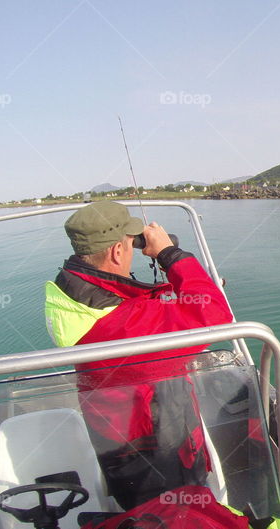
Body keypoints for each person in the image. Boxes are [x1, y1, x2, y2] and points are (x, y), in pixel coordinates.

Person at [44, 201, 234, 510]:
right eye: (131, 242)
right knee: (179, 514)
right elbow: (214, 316)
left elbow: (139, 309)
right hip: (158, 454)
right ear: (118, 251)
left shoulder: (72, 294)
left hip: (119, 442)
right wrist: (170, 255)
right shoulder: (118, 326)